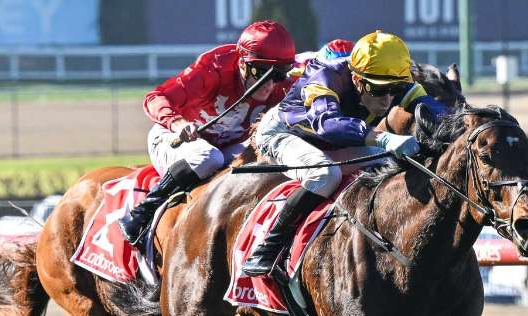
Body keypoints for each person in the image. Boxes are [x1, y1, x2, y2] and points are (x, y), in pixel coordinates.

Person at [243, 30, 447, 276]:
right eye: (379, 91)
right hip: (286, 133)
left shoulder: (388, 78)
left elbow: (438, 112)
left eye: (395, 89)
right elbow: (327, 124)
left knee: (392, 163)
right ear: (358, 80)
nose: (388, 100)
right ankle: (267, 248)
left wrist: (469, 125)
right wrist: (383, 138)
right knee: (324, 175)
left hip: (334, 143)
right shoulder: (325, 77)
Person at [118, 20, 296, 247]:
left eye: (278, 75)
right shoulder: (213, 70)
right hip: (172, 139)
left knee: (264, 159)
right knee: (208, 157)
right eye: (261, 73)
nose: (269, 84)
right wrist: (178, 123)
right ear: (242, 64)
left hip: (224, 147)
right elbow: (154, 98)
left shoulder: (282, 86)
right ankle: (141, 213)